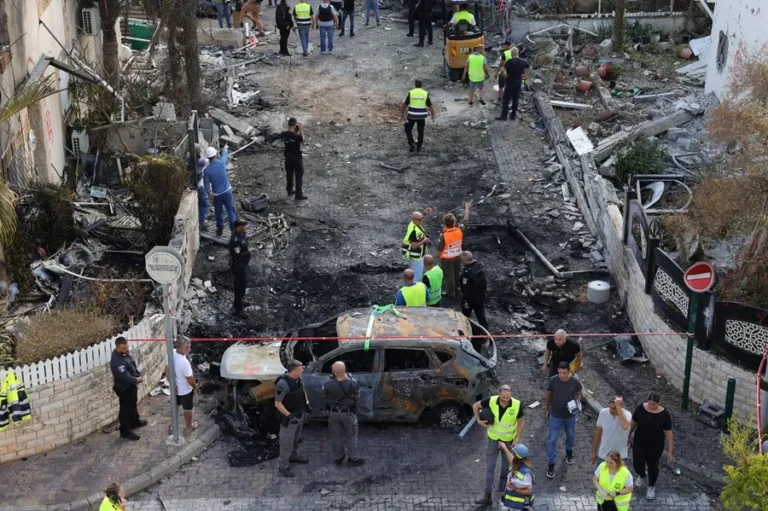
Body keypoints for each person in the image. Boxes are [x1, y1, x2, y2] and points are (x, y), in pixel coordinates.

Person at [472, 384, 525, 506]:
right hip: (493, 440)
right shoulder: (491, 400)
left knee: (506, 468)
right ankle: (487, 496)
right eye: (503, 398)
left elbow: (521, 422)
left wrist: (517, 438)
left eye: (508, 398)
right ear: (499, 394)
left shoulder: (516, 404)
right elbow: (475, 406)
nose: (506, 401)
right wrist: (479, 421)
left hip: (508, 441)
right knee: (490, 467)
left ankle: (503, 491)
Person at [629, 391, 674, 500]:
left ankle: (651, 486)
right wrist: (627, 438)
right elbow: (633, 425)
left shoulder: (664, 415)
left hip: (655, 446)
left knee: (653, 466)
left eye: (654, 404)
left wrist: (670, 450)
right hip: (639, 443)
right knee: (637, 464)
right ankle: (642, 475)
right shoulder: (640, 409)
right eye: (650, 403)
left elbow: (668, 433)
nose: (651, 406)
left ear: (659, 403)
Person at [322, 361, 365, 466]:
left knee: (336, 436)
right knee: (351, 436)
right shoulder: (352, 382)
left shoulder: (328, 383)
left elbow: (324, 396)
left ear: (335, 372)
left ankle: (339, 457)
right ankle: (352, 459)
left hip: (334, 413)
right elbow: (357, 396)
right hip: (348, 414)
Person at [545, 361, 583, 479]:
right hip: (555, 415)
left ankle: (569, 451)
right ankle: (551, 464)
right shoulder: (553, 380)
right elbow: (548, 394)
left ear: (569, 371)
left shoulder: (575, 382)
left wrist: (576, 403)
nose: (562, 375)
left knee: (571, 435)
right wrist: (547, 409)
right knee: (552, 440)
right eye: (560, 372)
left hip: (570, 416)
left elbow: (579, 394)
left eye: (565, 373)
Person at [275, 359, 311, 477]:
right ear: (294, 371)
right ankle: (283, 466)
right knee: (286, 442)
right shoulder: (283, 384)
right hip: (290, 418)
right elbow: (278, 404)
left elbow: (303, 389)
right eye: (301, 369)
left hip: (300, 414)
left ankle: (294, 456)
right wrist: (289, 416)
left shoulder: (298, 379)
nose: (303, 371)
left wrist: (307, 403)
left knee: (296, 438)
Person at [110, 337, 146, 441]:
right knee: (125, 410)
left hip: (130, 386)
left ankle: (135, 421)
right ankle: (125, 431)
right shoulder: (117, 361)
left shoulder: (124, 354)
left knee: (133, 404)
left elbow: (131, 364)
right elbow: (124, 377)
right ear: (117, 348)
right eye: (124, 348)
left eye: (127, 347)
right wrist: (136, 380)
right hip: (124, 388)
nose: (126, 349)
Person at [165, 337, 198, 436]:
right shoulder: (184, 362)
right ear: (179, 347)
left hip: (175, 389)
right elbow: (190, 379)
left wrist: (172, 384)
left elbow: (167, 370)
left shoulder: (171, 353)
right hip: (185, 391)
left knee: (175, 406)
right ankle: (188, 427)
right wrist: (195, 387)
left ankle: (172, 426)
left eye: (190, 346)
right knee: (188, 409)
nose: (189, 349)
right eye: (187, 347)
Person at [437, 202, 471, 298]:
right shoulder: (459, 229)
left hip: (447, 258)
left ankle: (450, 293)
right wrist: (467, 208)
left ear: (445, 224)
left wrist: (440, 257)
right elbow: (465, 220)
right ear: (454, 222)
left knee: (449, 276)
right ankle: (458, 288)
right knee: (457, 273)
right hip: (458, 255)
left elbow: (440, 248)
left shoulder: (444, 235)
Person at [203, 145, 237, 236]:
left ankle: (219, 228)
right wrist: (225, 148)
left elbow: (206, 185)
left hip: (217, 195)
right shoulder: (221, 163)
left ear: (208, 157)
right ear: (215, 155)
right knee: (230, 210)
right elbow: (224, 156)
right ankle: (233, 228)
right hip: (227, 191)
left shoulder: (207, 171)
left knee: (218, 211)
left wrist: (209, 193)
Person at [592, 397, 632, 465]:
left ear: (620, 407)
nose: (611, 410)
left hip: (620, 457)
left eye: (614, 408)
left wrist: (618, 408)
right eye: (610, 407)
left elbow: (625, 426)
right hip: (603, 455)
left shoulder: (627, 415)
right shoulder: (603, 413)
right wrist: (594, 451)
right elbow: (598, 433)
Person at [400, 79, 436, 152]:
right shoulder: (425, 93)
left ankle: (412, 143)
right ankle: (419, 146)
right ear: (421, 85)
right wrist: (432, 115)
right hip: (422, 116)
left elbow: (405, 104)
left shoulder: (411, 93)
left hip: (412, 115)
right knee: (420, 131)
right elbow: (430, 106)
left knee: (408, 129)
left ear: (415, 85)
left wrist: (402, 113)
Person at [497, 47, 530, 121]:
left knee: (506, 99)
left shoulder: (510, 61)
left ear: (512, 54)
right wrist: (526, 75)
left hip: (510, 82)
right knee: (515, 99)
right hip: (518, 82)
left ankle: (504, 116)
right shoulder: (523, 61)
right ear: (517, 53)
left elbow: (501, 70)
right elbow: (530, 67)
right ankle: (513, 115)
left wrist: (504, 76)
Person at [499, 443, 534, 509]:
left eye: (514, 453)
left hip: (520, 506)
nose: (513, 455)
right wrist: (504, 448)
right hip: (513, 504)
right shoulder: (517, 464)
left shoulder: (526, 473)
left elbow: (528, 491)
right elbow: (511, 459)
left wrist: (515, 489)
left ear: (516, 457)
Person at [401, 208, 432, 282]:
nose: (422, 220)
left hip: (417, 254)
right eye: (421, 219)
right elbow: (414, 246)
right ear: (415, 220)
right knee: (417, 275)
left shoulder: (413, 223)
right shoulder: (414, 231)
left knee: (414, 270)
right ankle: (415, 288)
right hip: (416, 256)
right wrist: (424, 240)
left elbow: (419, 218)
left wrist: (424, 214)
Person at [460, 251, 488, 329]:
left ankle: (464, 332)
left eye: (462, 260)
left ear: (465, 260)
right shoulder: (479, 267)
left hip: (471, 299)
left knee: (464, 317)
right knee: (481, 317)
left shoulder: (467, 273)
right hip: (480, 296)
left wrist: (465, 301)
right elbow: (484, 281)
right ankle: (486, 334)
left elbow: (465, 288)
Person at [281, 118, 308, 200]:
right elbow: (303, 140)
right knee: (299, 176)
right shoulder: (297, 136)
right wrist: (300, 130)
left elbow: (289, 136)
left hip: (288, 158)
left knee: (289, 174)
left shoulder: (283, 134)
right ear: (295, 125)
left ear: (288, 124)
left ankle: (289, 191)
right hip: (296, 158)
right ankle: (298, 195)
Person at [228, 219, 251, 318]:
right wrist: (248, 253)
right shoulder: (235, 240)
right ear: (238, 227)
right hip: (238, 267)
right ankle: (238, 309)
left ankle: (239, 301)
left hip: (243, 265)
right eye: (244, 226)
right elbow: (237, 255)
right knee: (239, 287)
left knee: (244, 284)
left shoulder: (241, 235)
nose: (246, 227)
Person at [194, 145, 210, 226]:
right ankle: (202, 221)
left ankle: (202, 218)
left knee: (201, 203)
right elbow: (209, 160)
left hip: (195, 185)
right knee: (205, 203)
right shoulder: (201, 161)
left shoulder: (190, 160)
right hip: (200, 186)